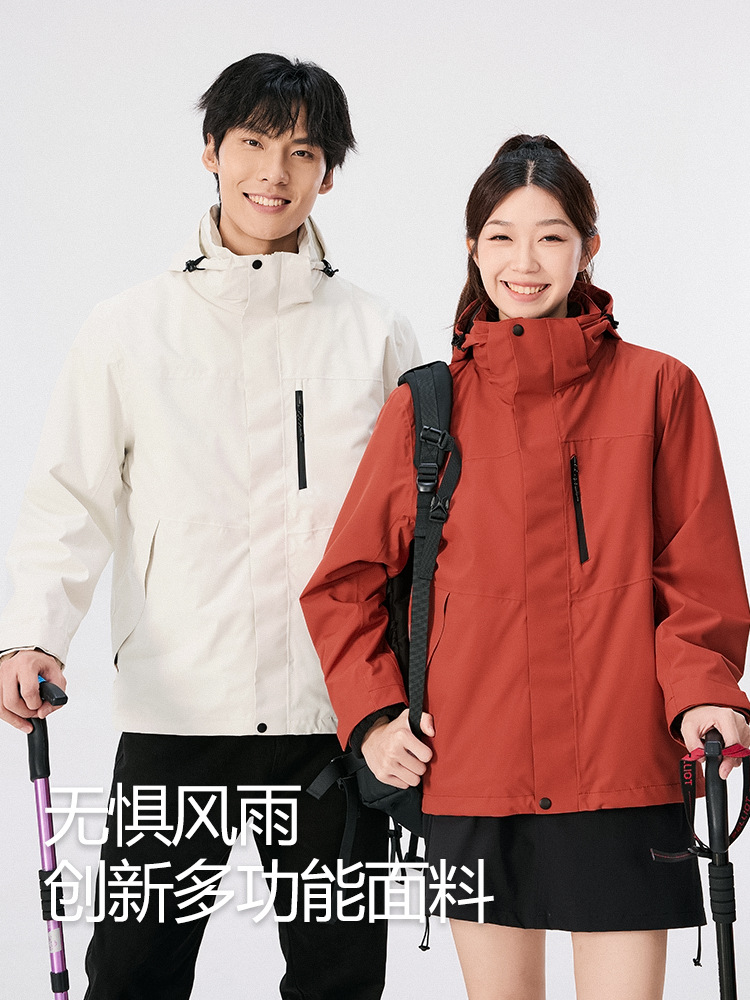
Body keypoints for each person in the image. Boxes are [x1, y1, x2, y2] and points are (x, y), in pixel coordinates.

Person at [0, 53, 421, 1000]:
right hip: (180, 708)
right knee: (135, 973)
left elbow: (418, 529)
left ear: (327, 173)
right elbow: (69, 495)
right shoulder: (129, 328)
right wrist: (34, 634)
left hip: (333, 717)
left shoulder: (377, 333)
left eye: (303, 152)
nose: (275, 172)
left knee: (339, 978)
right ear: (211, 152)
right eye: (254, 144)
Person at [300, 135, 750, 1000]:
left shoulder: (661, 390)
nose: (526, 262)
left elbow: (697, 579)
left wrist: (703, 693)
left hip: (623, 769)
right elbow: (344, 585)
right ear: (473, 248)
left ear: (588, 248)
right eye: (502, 237)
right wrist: (375, 719)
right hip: (476, 770)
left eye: (551, 237)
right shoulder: (428, 406)